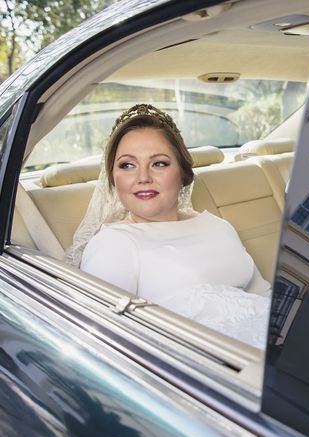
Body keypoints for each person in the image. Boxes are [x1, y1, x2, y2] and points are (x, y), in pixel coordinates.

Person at [65, 104, 271, 349]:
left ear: (183, 174)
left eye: (159, 163)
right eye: (127, 165)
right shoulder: (114, 245)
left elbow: (263, 295)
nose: (143, 177)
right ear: (112, 178)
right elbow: (106, 344)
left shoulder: (218, 226)